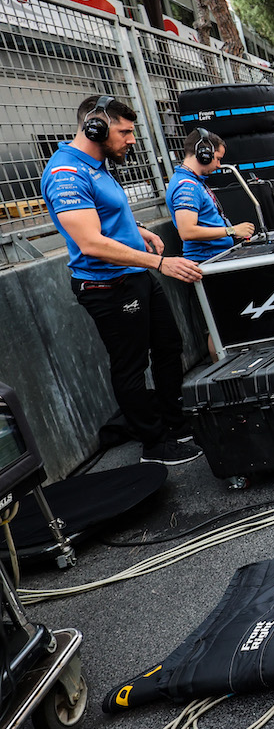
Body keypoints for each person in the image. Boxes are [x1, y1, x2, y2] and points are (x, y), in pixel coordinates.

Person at [42, 96, 203, 466]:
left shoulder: (98, 165)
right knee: (130, 365)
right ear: (95, 127)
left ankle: (174, 423)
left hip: (135, 274)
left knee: (168, 345)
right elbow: (91, 241)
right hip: (108, 287)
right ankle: (154, 444)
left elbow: (107, 214)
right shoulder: (65, 173)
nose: (132, 140)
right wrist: (159, 262)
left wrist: (139, 230)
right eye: (125, 131)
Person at [165, 129, 254, 360]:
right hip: (208, 262)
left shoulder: (194, 182)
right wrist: (231, 230)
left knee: (227, 321)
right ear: (203, 154)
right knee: (222, 326)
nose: (218, 164)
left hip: (216, 259)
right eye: (217, 158)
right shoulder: (187, 186)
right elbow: (187, 231)